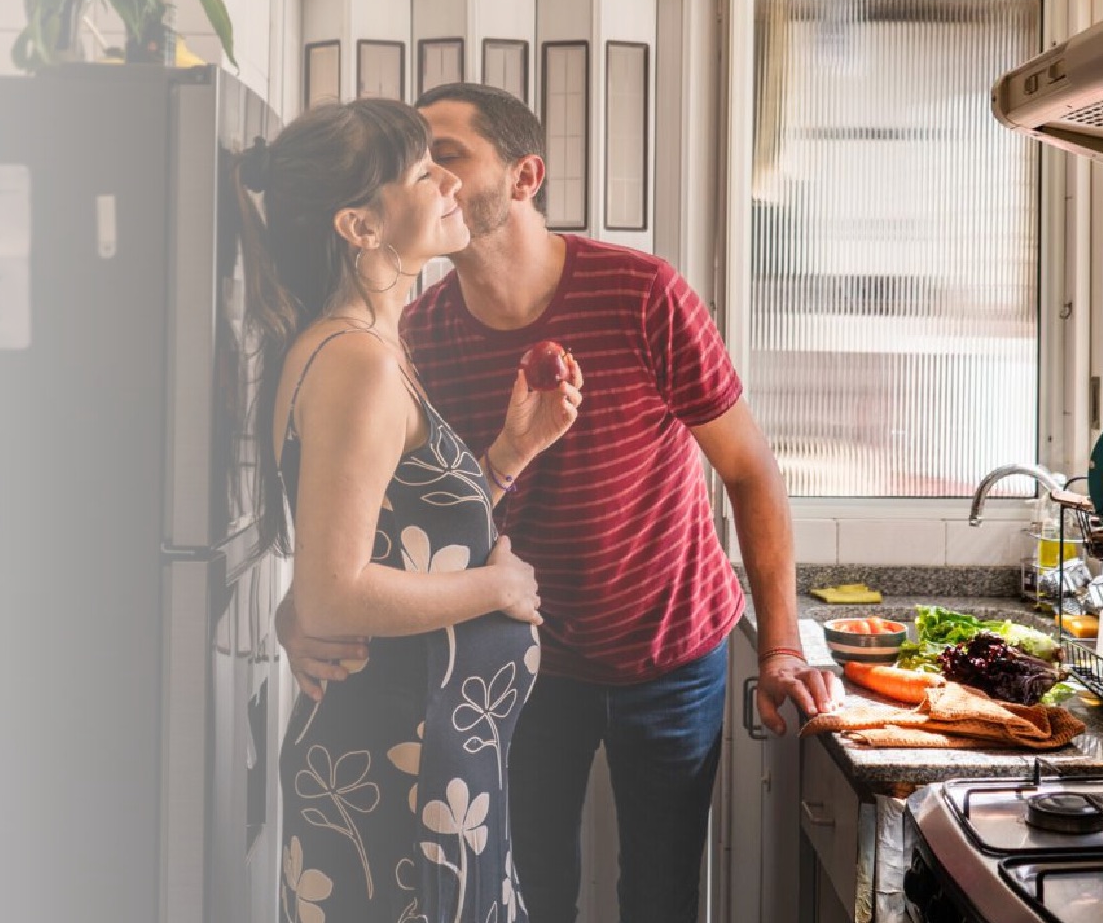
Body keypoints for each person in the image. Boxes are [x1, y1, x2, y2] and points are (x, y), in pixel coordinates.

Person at [280, 83, 840, 923]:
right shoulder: (412, 337)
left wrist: (780, 648)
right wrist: (305, 606)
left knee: (661, 898)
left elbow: (751, 473)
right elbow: (375, 524)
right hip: (523, 675)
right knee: (531, 892)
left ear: (524, 176)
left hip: (674, 653)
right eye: (418, 163)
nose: (433, 176)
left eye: (449, 156)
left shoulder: (645, 295)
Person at [239, 98, 583, 923]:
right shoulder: (354, 359)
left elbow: (400, 539)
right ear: (360, 225)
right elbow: (333, 593)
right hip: (397, 776)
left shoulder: (372, 345)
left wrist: (507, 457)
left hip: (426, 767)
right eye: (424, 172)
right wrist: (498, 592)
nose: (450, 186)